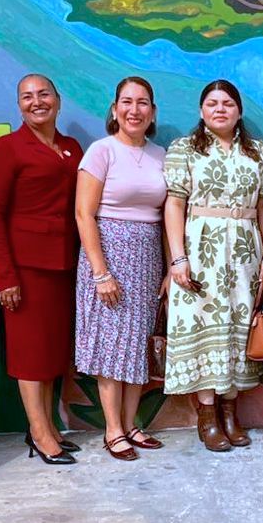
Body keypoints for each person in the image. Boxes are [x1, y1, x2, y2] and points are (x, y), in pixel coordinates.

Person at [163, 80, 263, 451]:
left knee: (237, 330)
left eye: (228, 103)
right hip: (200, 253)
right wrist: (178, 258)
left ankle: (231, 413)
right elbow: (174, 204)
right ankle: (208, 416)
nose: (220, 109)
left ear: (239, 111)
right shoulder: (184, 149)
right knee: (205, 327)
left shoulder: (257, 152)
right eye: (212, 103)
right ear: (201, 111)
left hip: (244, 254)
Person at [0, 74, 84, 464]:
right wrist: (5, 277)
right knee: (30, 353)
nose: (36, 102)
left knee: (52, 351)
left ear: (58, 100)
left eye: (44, 94)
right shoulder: (7, 149)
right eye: (27, 96)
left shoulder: (71, 148)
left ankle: (48, 426)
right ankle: (39, 434)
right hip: (25, 269)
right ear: (19, 105)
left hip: (63, 265)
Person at [75, 76, 168, 461]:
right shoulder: (101, 151)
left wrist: (168, 267)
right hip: (109, 258)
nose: (134, 110)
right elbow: (83, 214)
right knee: (112, 347)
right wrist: (101, 273)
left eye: (142, 102)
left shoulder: (161, 155)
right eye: (126, 102)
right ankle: (113, 430)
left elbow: (167, 214)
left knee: (136, 347)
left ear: (153, 112)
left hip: (147, 260)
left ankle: (131, 425)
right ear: (114, 110)